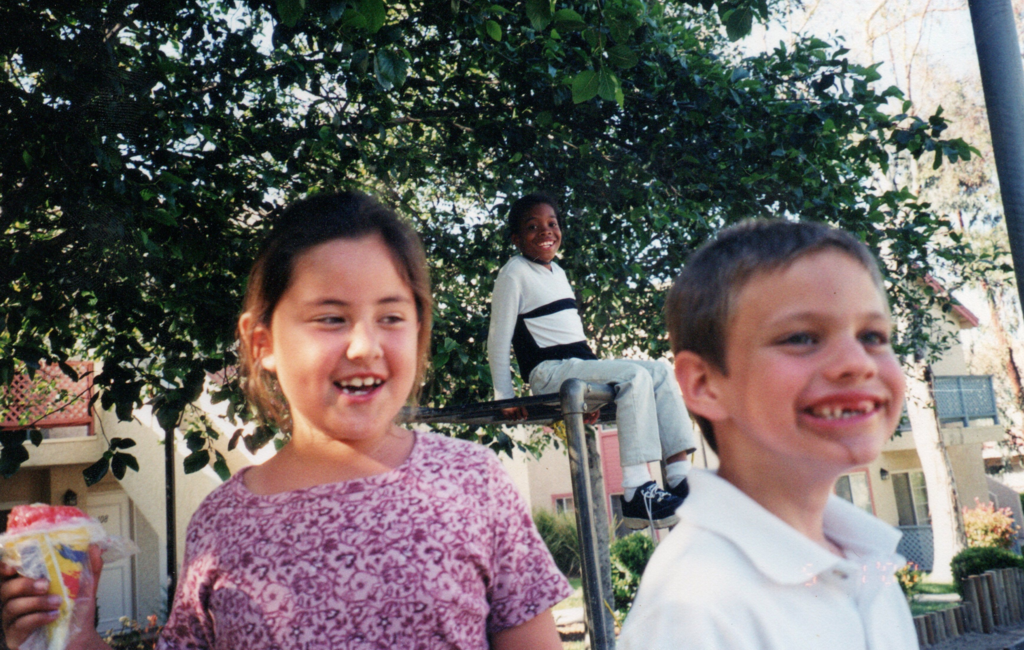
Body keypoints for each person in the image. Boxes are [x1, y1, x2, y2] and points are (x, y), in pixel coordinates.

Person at [1, 191, 571, 650]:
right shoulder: (221, 524)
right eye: (330, 318)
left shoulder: (473, 484)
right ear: (263, 342)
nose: (364, 346)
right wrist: (74, 639)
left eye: (391, 316)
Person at [618, 219, 918, 650]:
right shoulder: (694, 609)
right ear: (704, 384)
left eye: (872, 336)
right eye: (801, 337)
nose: (858, 363)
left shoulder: (866, 561)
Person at [487, 192, 697, 529]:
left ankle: (680, 477)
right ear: (516, 238)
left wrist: (597, 389)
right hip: (548, 372)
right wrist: (504, 395)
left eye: (552, 223)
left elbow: (576, 343)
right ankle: (636, 490)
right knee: (634, 376)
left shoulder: (557, 273)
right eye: (532, 227)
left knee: (658, 371)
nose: (546, 231)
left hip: (574, 367)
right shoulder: (514, 273)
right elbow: (499, 337)